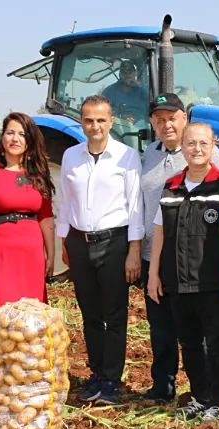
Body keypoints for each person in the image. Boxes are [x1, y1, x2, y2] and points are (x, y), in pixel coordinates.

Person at [147, 122, 219, 420]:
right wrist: (153, 274)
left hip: (216, 282)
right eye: (191, 143)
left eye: (204, 144)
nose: (197, 149)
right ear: (184, 146)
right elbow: (160, 233)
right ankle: (200, 397)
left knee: (216, 343)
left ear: (213, 145)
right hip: (178, 281)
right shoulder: (172, 186)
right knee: (188, 342)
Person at [140, 93, 219, 402]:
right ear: (152, 123)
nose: (166, 125)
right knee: (162, 330)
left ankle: (210, 395)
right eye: (159, 119)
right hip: (158, 258)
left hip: (200, 264)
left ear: (184, 119)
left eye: (172, 118)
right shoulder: (149, 153)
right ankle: (164, 386)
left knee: (205, 336)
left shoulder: (207, 157)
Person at [57, 95, 144, 405]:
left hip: (114, 242)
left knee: (115, 314)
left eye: (100, 120)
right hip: (80, 242)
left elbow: (135, 206)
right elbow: (66, 202)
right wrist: (64, 240)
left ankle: (111, 378)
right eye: (89, 120)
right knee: (90, 314)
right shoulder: (70, 156)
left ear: (111, 121)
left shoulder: (126, 156)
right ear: (82, 122)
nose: (94, 126)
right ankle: (96, 372)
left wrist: (134, 250)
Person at [0, 113, 56, 324]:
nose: (15, 139)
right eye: (10, 133)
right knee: (0, 311)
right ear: (2, 137)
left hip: (30, 254)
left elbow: (45, 217)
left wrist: (50, 255)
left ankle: (26, 357)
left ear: (30, 141)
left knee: (31, 314)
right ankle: (0, 356)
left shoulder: (38, 174)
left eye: (22, 134)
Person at [101, 59, 149, 124]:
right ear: (120, 75)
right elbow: (102, 110)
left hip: (141, 126)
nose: (127, 75)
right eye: (124, 73)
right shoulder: (110, 91)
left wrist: (138, 84)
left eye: (130, 72)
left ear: (135, 73)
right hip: (117, 126)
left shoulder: (142, 89)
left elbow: (154, 100)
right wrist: (121, 117)